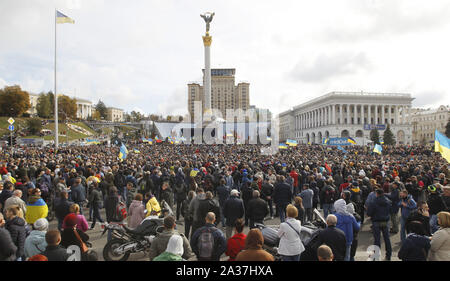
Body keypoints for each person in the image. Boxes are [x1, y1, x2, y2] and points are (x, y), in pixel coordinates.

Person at [367, 189, 392, 261]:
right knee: (387, 239)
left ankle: (376, 256)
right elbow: (390, 210)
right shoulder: (388, 201)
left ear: (377, 194)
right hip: (385, 221)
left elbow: (369, 213)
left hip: (376, 221)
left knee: (377, 240)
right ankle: (388, 255)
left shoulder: (373, 202)